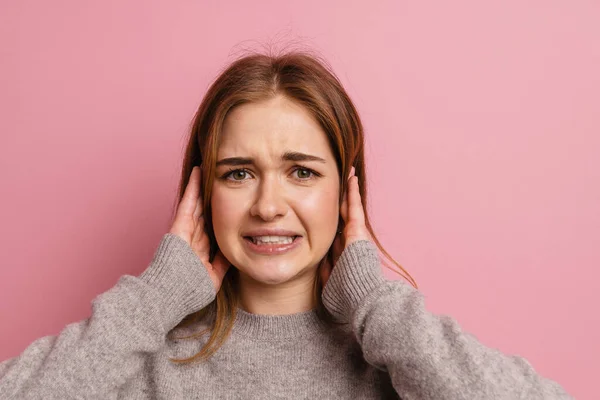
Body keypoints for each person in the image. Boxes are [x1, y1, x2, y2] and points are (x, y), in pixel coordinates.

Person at [0, 51, 572, 400]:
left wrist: (379, 307)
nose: (268, 205)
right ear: (201, 194)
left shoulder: (405, 363)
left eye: (301, 171)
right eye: (239, 173)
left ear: (346, 194)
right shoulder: (140, 363)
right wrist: (152, 301)